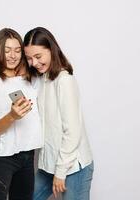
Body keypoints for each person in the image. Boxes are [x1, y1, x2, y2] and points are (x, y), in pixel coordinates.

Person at [23, 27, 94, 200]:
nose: (34, 63)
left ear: (52, 50)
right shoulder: (42, 79)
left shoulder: (64, 81)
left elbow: (72, 132)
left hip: (72, 167)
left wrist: (61, 172)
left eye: (38, 56)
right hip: (49, 165)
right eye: (29, 58)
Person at [0, 28, 43, 200]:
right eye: (7, 50)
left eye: (17, 50)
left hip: (27, 157)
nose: (13, 56)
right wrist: (12, 116)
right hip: (1, 160)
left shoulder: (27, 77)